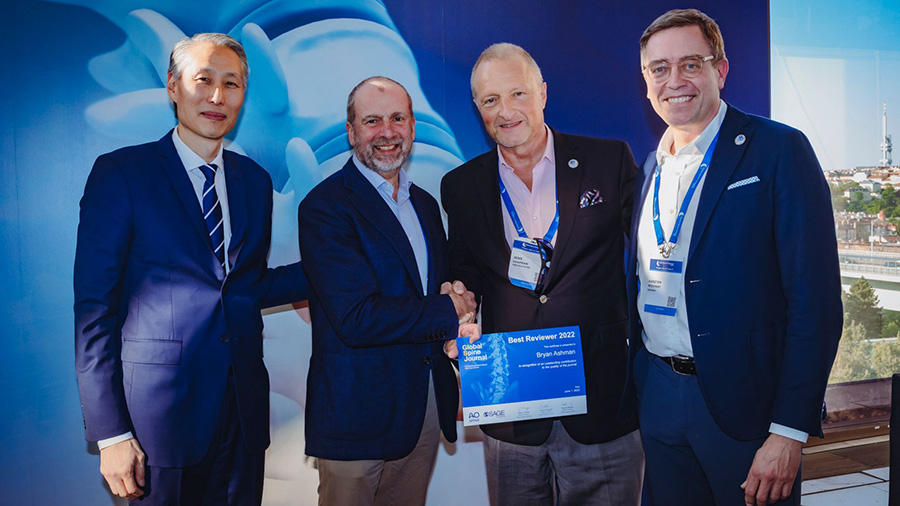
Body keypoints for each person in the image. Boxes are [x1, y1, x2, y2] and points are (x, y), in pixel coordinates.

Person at [74, 33, 307, 505]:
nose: (217, 97)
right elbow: (94, 311)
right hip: (155, 425)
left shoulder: (254, 182)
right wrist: (111, 433)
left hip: (242, 418)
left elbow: (243, 287)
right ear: (173, 86)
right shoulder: (122, 173)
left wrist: (336, 265)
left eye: (232, 84)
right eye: (204, 80)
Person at [624, 9, 843, 506]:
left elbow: (816, 304)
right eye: (659, 68)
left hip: (746, 411)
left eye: (690, 64)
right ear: (646, 81)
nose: (674, 80)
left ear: (720, 70)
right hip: (658, 397)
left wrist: (789, 430)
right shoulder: (650, 168)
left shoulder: (779, 150)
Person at [441, 43, 643, 505]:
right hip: (512, 407)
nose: (506, 111)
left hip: (601, 402)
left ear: (543, 93)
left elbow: (648, 257)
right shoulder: (461, 186)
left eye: (518, 94)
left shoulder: (608, 161)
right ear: (477, 108)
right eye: (491, 100)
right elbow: (466, 273)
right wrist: (460, 305)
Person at [298, 76, 479, 506]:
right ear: (351, 131)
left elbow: (430, 292)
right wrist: (447, 310)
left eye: (398, 119)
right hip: (356, 417)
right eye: (372, 121)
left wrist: (456, 317)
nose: (387, 132)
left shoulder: (426, 205)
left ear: (412, 127)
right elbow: (356, 318)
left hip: (423, 410)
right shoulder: (325, 207)